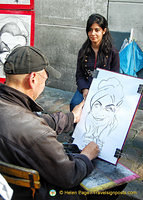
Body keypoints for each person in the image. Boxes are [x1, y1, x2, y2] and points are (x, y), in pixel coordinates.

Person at [0, 46, 100, 200]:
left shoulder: (10, 107)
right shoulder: (36, 132)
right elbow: (69, 175)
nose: (44, 84)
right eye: (45, 79)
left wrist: (71, 117)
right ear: (33, 79)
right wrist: (86, 156)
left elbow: (32, 120)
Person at [70, 13, 120, 111]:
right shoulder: (83, 51)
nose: (92, 33)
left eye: (97, 30)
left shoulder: (113, 52)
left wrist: (104, 92)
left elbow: (115, 76)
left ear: (104, 31)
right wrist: (84, 90)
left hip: (105, 89)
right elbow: (79, 75)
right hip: (86, 87)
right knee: (75, 104)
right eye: (90, 30)